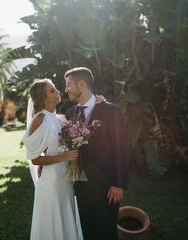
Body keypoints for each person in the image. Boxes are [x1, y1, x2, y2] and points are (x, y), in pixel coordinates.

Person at [64, 67, 129, 240]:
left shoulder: (111, 111)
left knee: (106, 232)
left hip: (107, 186)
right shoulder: (70, 114)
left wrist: (119, 183)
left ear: (82, 84)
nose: (66, 90)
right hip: (81, 186)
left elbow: (121, 148)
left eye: (68, 85)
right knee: (88, 232)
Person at [22, 78, 80, 240]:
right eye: (52, 90)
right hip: (51, 183)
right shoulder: (39, 119)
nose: (58, 92)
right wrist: (63, 157)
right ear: (43, 97)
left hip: (65, 180)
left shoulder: (60, 119)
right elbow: (34, 159)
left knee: (66, 217)